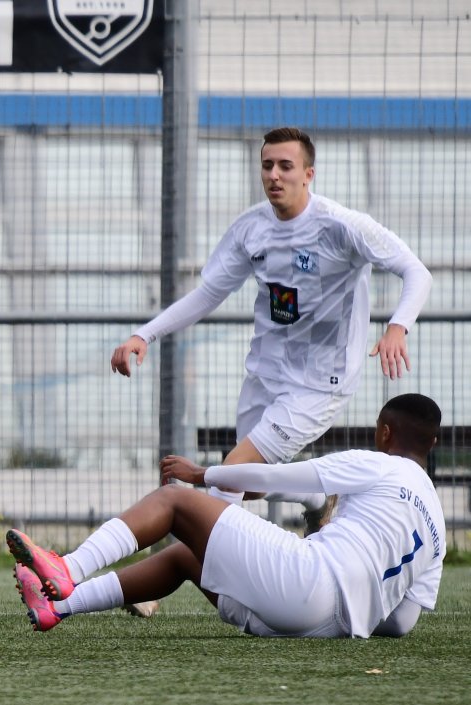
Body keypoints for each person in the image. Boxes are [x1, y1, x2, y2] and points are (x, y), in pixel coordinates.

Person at [111, 127, 432, 534]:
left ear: (308, 174)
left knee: (230, 475)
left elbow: (416, 272)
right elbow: (208, 293)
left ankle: (178, 580)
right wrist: (145, 335)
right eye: (267, 166)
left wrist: (397, 327)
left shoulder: (342, 226)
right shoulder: (251, 228)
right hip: (265, 373)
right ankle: (318, 498)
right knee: (248, 487)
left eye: (286, 166)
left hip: (320, 382)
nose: (275, 175)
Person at [7, 394, 445, 639]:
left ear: (384, 432)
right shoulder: (437, 528)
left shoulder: (379, 464)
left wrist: (204, 474)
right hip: (328, 629)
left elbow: (282, 475)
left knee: (175, 501)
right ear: (432, 443)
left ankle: (68, 568)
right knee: (186, 559)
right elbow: (403, 622)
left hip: (305, 582)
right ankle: (59, 606)